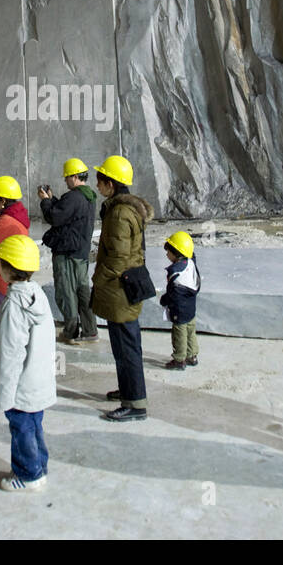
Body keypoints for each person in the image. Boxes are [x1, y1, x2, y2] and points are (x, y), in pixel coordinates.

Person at [0, 235, 57, 492]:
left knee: (21, 429)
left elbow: (11, 353)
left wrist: (5, 394)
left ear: (6, 268)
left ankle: (28, 475)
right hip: (38, 379)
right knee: (34, 424)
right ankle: (39, 465)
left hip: (21, 384)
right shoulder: (36, 295)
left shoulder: (13, 305)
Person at [90, 155, 153, 422]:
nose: (97, 185)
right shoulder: (126, 209)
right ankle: (128, 391)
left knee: (126, 347)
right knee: (124, 344)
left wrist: (99, 278)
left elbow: (118, 257)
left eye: (100, 180)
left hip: (119, 288)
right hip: (126, 284)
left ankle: (135, 404)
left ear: (111, 184)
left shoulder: (118, 213)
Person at [39, 157, 99, 344]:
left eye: (67, 177)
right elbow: (68, 213)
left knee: (66, 291)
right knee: (82, 291)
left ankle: (70, 332)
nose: (65, 180)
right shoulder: (88, 196)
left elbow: (55, 217)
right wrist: (53, 199)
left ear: (74, 176)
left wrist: (45, 202)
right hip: (81, 252)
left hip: (66, 252)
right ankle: (90, 331)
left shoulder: (73, 197)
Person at [0, 176, 30, 326]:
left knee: (4, 322)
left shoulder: (7, 222)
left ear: (3, 201)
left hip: (5, 277)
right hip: (16, 273)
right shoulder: (19, 216)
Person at [161, 231, 201, 371]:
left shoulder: (175, 273)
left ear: (177, 253)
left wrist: (164, 300)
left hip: (180, 311)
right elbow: (192, 254)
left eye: (169, 252)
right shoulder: (191, 263)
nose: (167, 255)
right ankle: (192, 356)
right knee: (191, 332)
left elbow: (173, 294)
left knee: (180, 335)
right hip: (191, 308)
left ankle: (179, 359)